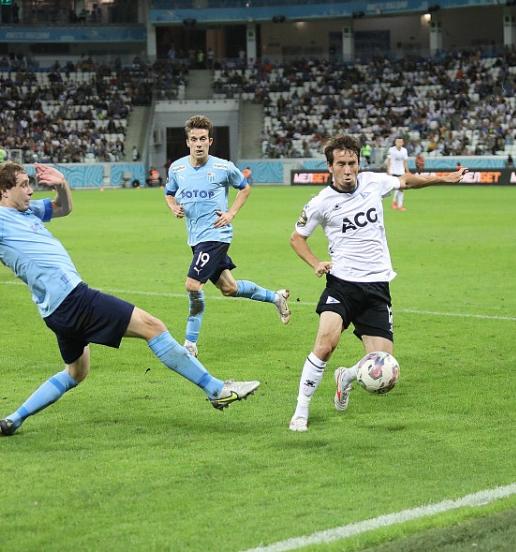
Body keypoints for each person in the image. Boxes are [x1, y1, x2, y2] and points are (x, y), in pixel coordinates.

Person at [0, 162, 260, 436]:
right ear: (5, 190)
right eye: (24, 185)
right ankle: (216, 389)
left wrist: (62, 184)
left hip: (55, 311)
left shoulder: (25, 211)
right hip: (73, 298)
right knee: (153, 326)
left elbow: (63, 209)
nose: (31, 190)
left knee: (76, 372)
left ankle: (13, 420)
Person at [287, 134, 467, 432]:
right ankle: (301, 410)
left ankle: (346, 376)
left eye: (352, 163)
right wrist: (316, 262)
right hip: (342, 284)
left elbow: (406, 181)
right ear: (330, 166)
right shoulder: (320, 202)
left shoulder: (373, 182)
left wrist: (444, 179)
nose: (348, 170)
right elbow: (297, 238)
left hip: (377, 286)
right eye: (341, 164)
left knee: (385, 365)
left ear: (359, 163)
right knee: (326, 345)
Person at [165, 115, 291, 358]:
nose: (199, 143)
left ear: (210, 141)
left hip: (216, 235)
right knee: (229, 288)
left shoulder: (223, 167)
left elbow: (244, 188)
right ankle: (276, 297)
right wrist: (172, 206)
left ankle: (190, 344)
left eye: (203, 139)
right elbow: (169, 192)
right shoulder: (177, 169)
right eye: (194, 139)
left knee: (193, 285)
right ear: (188, 142)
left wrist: (231, 212)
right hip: (196, 239)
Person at [387, 136, 409, 211]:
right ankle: (395, 203)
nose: (399, 143)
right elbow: (388, 161)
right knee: (398, 187)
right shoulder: (391, 150)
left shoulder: (404, 150)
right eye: (398, 142)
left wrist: (407, 171)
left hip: (401, 171)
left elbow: (405, 162)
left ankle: (399, 205)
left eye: (401, 142)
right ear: (395, 142)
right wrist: (388, 171)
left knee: (401, 188)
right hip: (394, 171)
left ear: (402, 143)